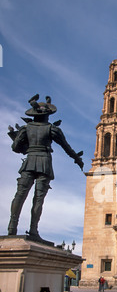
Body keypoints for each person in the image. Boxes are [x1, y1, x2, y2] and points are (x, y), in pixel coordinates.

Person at [7, 95, 83, 239]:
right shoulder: (52, 129)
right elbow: (66, 147)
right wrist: (77, 159)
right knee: (38, 198)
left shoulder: (25, 129)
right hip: (44, 163)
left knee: (20, 195)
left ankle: (12, 226)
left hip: (28, 162)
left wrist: (26, 145)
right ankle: (33, 230)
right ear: (47, 115)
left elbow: (15, 147)